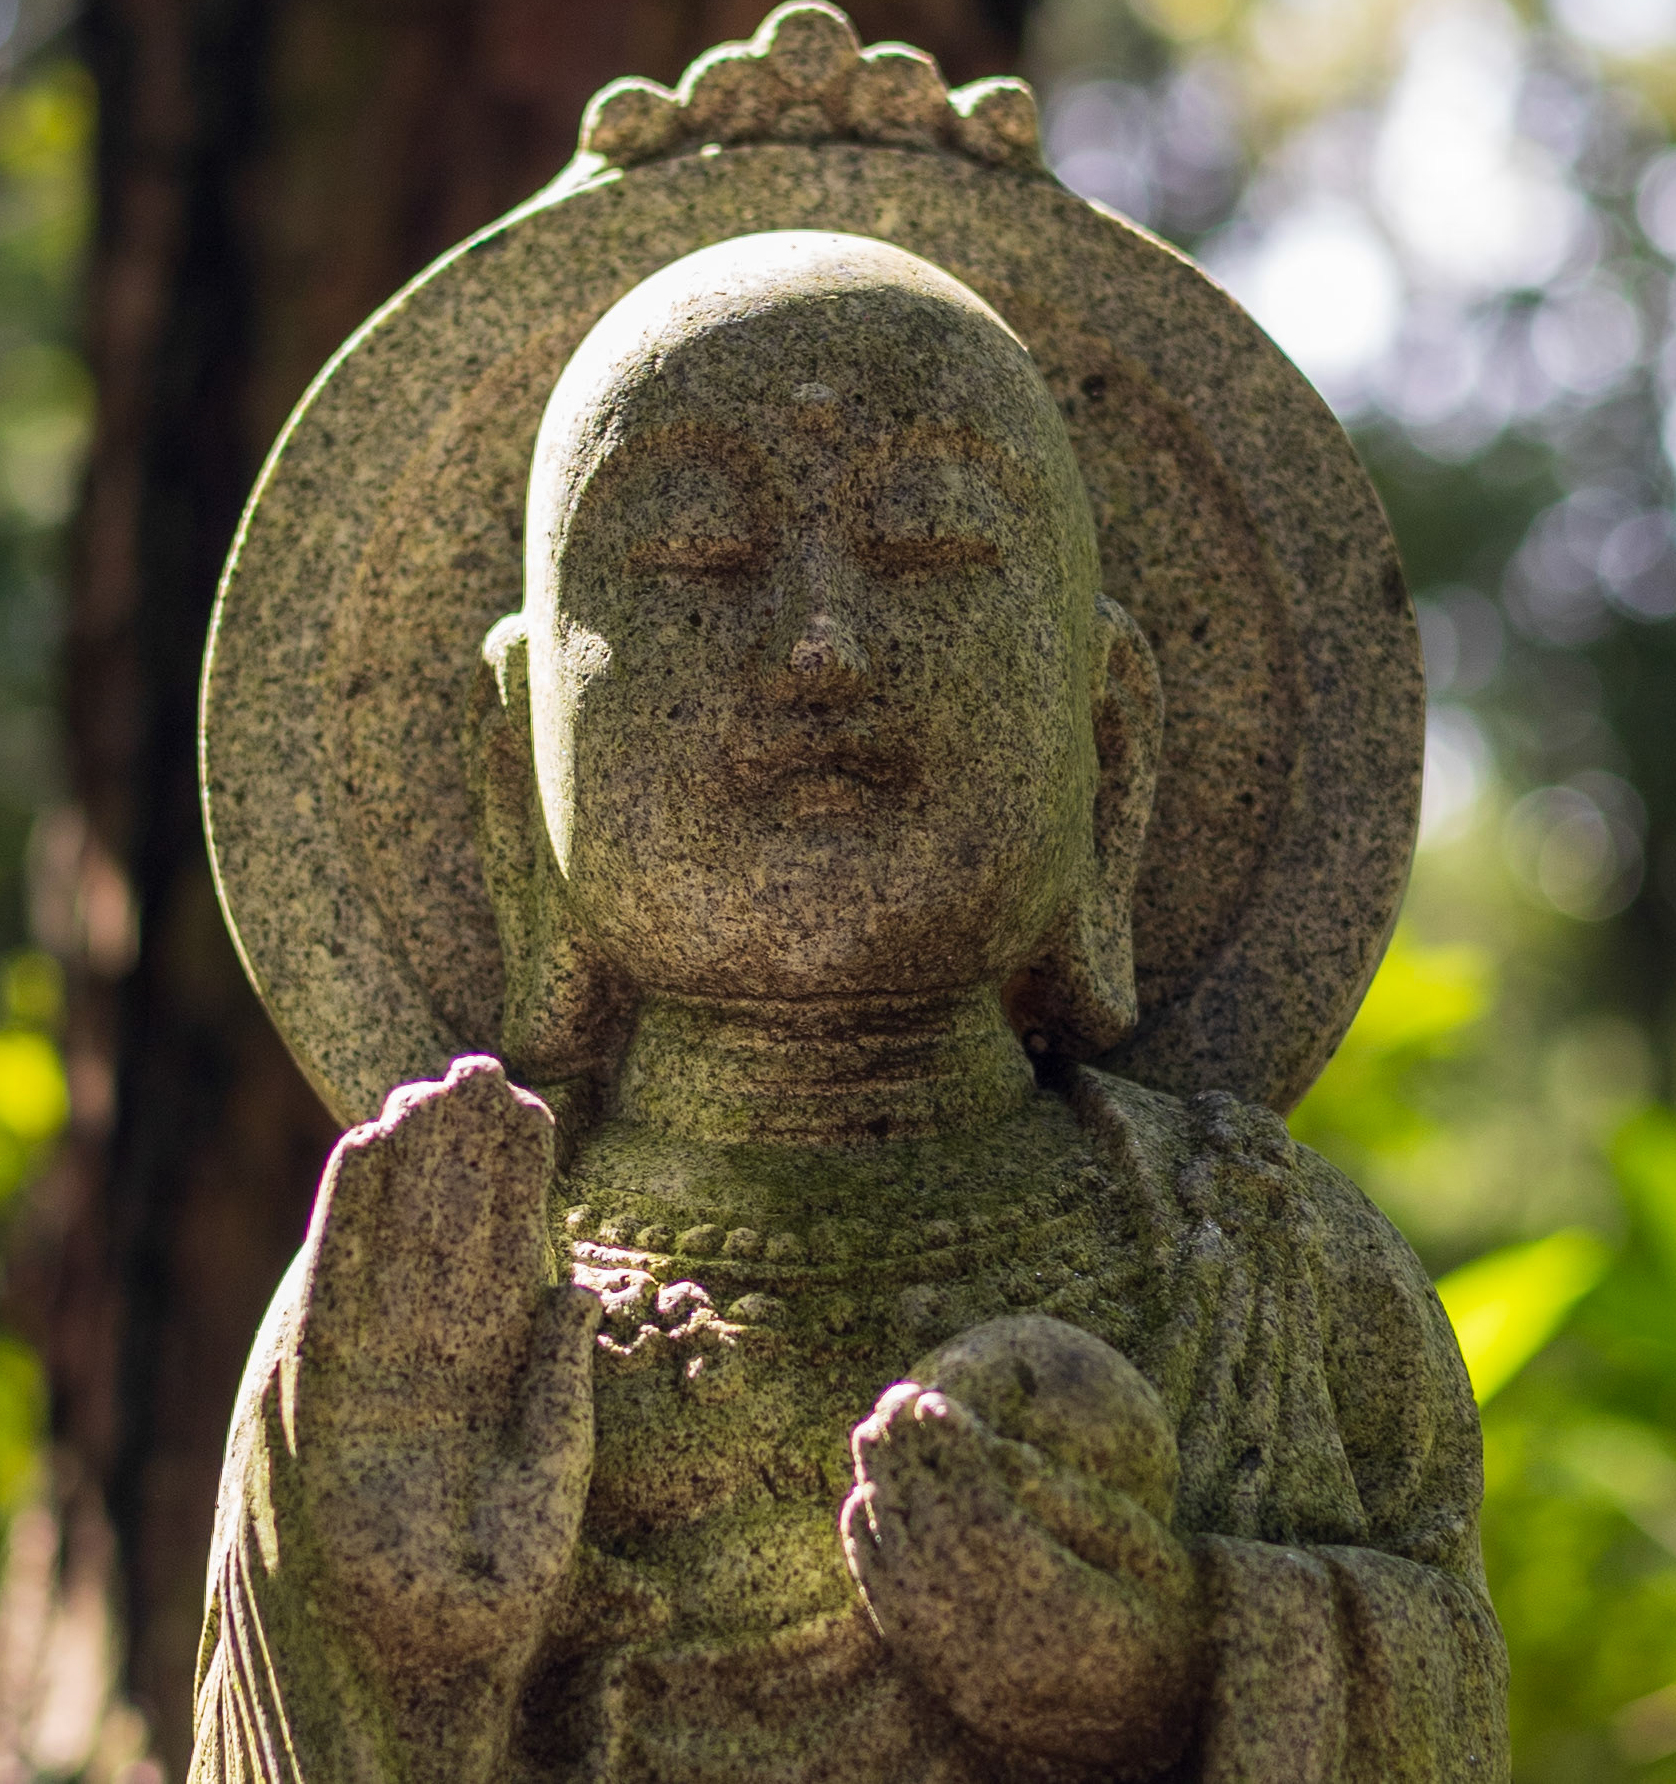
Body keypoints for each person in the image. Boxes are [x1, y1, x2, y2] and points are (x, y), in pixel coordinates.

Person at [190, 232, 1508, 1784]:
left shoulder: (1269, 1270)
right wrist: (396, 1658)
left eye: (933, 542)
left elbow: (1444, 1711)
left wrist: (1178, 1671)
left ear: (1109, 737)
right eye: (691, 551)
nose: (819, 647)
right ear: (512, 758)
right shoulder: (433, 1314)